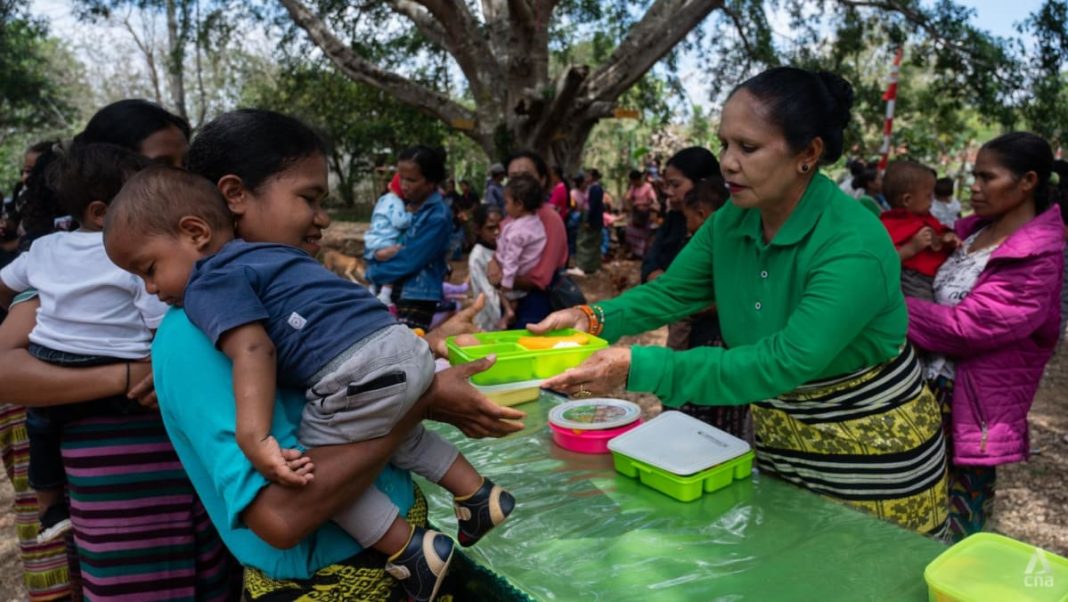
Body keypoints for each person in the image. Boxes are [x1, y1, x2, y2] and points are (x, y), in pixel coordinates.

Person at [533, 66, 949, 538]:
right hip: (779, 440)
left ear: (808, 154)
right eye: (725, 144)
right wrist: (591, 317)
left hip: (873, 459)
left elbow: (784, 361)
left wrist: (639, 367)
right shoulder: (732, 220)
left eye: (747, 147)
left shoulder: (852, 243)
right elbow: (673, 292)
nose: (728, 163)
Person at [157, 108, 524, 599]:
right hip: (324, 583)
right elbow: (282, 516)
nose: (324, 219)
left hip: (406, 557)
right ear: (235, 195)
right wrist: (423, 397)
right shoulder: (193, 334)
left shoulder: (295, 287)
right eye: (309, 198)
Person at [0, 100, 239, 600]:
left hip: (191, 458)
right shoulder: (88, 261)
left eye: (182, 163)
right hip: (121, 464)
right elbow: (7, 365)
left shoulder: (179, 247)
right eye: (159, 166)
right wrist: (130, 376)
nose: (177, 178)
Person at [0, 144, 167, 546]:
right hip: (122, 370)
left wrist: (37, 299)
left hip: (51, 362)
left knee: (40, 429)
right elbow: (158, 322)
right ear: (101, 212)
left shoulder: (43, 249)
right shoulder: (131, 254)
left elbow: (4, 287)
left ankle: (50, 509)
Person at [907, 132, 1065, 542]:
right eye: (973, 175)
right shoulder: (970, 235)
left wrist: (889, 308)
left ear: (1027, 181)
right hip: (923, 391)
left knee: (956, 531)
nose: (973, 187)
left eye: (986, 177)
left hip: (967, 408)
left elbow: (969, 328)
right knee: (906, 518)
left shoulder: (1038, 255)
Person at [368, 146, 453, 331]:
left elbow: (410, 259)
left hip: (417, 296)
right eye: (401, 177)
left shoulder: (437, 216)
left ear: (430, 182)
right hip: (397, 290)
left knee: (403, 352)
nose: (404, 184)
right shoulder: (405, 206)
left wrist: (374, 272)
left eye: (411, 180)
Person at [485, 150, 570, 325]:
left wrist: (502, 280)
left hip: (537, 302)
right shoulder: (513, 216)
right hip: (511, 292)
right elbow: (502, 250)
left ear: (542, 179)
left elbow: (541, 278)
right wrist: (493, 264)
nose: (518, 183)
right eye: (512, 177)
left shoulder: (549, 219)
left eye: (525, 176)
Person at [879, 160, 958, 301]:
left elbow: (938, 234)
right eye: (928, 196)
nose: (932, 200)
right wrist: (911, 248)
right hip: (912, 278)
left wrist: (946, 238)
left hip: (936, 275)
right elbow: (887, 260)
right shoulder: (891, 223)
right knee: (925, 309)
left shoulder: (926, 216)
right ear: (907, 200)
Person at [496, 174, 547, 326]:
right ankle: (511, 307)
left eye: (506, 203)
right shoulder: (536, 222)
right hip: (526, 271)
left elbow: (512, 257)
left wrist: (506, 281)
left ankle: (508, 311)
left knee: (498, 290)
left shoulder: (518, 230)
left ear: (519, 204)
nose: (505, 207)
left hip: (515, 273)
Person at [365, 173, 410, 306]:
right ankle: (385, 294)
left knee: (376, 266)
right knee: (391, 266)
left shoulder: (382, 199)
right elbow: (399, 222)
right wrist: (410, 216)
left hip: (373, 239)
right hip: (387, 240)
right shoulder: (397, 202)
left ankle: (371, 291)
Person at [468, 204, 505, 331]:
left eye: (499, 226)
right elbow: (486, 292)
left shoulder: (502, 248)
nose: (497, 232)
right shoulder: (478, 256)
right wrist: (500, 320)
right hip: (489, 321)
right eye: (490, 228)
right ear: (478, 230)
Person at [574, 169, 604, 275]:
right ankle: (592, 266)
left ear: (594, 177)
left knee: (585, 241)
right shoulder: (592, 188)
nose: (587, 178)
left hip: (591, 217)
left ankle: (583, 266)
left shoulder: (595, 189)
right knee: (592, 242)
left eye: (589, 176)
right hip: (591, 216)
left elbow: (594, 206)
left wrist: (588, 220)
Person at [624, 169, 657, 258]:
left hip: (645, 213)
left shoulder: (648, 187)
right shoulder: (633, 187)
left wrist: (648, 208)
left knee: (644, 234)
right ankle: (635, 252)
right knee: (631, 231)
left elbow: (653, 200)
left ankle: (643, 253)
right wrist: (630, 207)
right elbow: (628, 198)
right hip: (636, 212)